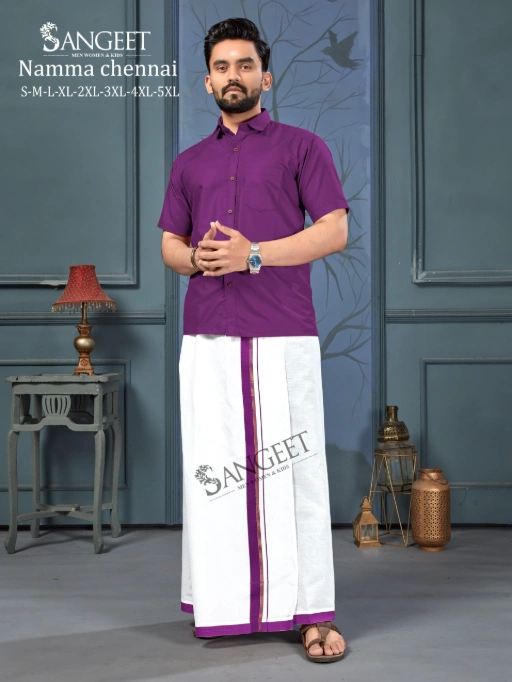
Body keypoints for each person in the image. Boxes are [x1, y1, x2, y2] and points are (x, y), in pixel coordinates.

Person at [158, 17, 349, 663]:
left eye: (245, 65)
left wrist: (255, 255)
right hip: (207, 335)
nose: (232, 75)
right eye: (221, 66)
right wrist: (197, 259)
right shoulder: (189, 163)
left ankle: (313, 615)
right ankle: (223, 605)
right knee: (215, 476)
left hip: (283, 331)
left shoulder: (303, 148)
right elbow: (171, 245)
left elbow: (334, 231)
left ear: (265, 78)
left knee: (295, 473)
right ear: (207, 81)